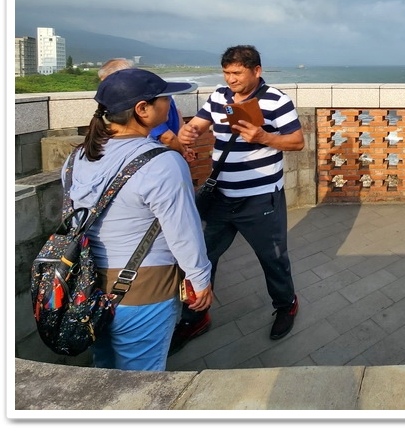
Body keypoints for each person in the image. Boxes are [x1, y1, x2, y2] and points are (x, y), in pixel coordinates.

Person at [65, 68, 212, 370]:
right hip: (143, 289)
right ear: (142, 109)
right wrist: (199, 279)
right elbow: (183, 231)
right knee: (139, 383)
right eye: (164, 98)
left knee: (104, 370)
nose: (169, 103)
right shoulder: (162, 162)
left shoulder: (78, 157)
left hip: (87, 285)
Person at [170, 45, 305, 350]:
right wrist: (187, 133)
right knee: (203, 257)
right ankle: (196, 317)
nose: (230, 79)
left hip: (260, 199)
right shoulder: (219, 96)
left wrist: (264, 138)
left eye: (237, 73)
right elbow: (198, 125)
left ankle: (286, 305)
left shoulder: (276, 101)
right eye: (227, 72)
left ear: (257, 71)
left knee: (273, 259)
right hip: (221, 196)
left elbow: (297, 141)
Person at [99, 58, 196, 163]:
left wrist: (182, 151)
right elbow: (177, 117)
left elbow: (167, 136)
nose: (107, 90)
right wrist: (182, 150)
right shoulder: (159, 96)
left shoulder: (151, 102)